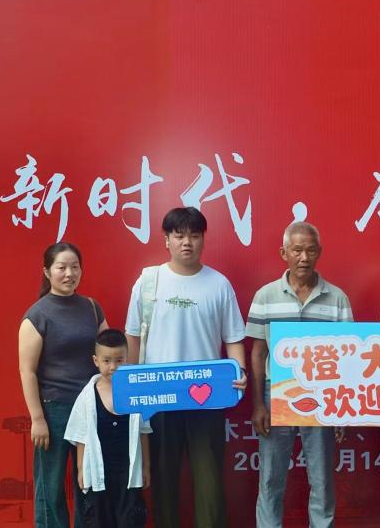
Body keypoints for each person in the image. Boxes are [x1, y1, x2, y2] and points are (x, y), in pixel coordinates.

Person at [125, 207, 247, 528]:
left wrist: (240, 372)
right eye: (179, 236)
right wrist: (131, 388)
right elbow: (133, 338)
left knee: (210, 482)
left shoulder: (219, 284)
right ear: (166, 240)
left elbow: (234, 338)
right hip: (158, 398)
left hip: (208, 399)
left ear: (203, 239)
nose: (187, 243)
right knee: (163, 480)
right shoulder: (148, 282)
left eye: (194, 235)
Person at [246, 221, 351, 528]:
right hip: (275, 393)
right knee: (270, 478)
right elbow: (258, 353)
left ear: (319, 252)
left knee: (322, 479)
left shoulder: (337, 298)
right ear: (284, 253)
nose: (304, 257)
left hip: (323, 397)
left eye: (310, 250)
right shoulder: (266, 296)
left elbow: (348, 357)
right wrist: (258, 404)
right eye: (297, 250)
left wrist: (342, 410)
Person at [18, 242, 109, 527]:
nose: (69, 274)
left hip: (92, 408)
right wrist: (37, 419)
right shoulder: (37, 315)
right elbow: (27, 371)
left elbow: (109, 354)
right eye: (61, 267)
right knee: (51, 485)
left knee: (89, 481)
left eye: (75, 267)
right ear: (47, 272)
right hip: (54, 410)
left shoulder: (92, 308)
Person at [65, 329, 151, 528]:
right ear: (96, 361)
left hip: (127, 471)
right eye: (106, 361)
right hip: (99, 472)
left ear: (127, 358)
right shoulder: (87, 396)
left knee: (129, 519)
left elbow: (143, 433)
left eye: (119, 360)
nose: (113, 367)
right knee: (99, 520)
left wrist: (145, 467)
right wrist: (81, 469)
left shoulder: (135, 393)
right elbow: (81, 436)